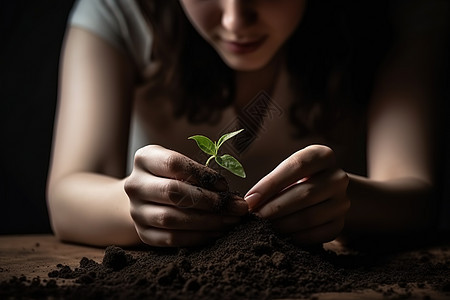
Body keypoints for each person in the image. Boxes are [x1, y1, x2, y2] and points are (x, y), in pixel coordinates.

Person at [47, 0, 449, 247]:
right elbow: (67, 197)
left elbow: (418, 198)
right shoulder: (121, 10)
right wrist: (135, 205)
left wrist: (345, 200)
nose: (236, 19)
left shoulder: (395, 14)